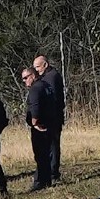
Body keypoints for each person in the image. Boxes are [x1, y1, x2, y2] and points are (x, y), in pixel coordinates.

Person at [32, 54, 65, 185]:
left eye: (38, 67)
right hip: (52, 117)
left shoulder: (51, 77)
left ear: (45, 65)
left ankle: (53, 172)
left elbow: (53, 99)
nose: (37, 70)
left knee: (53, 145)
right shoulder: (47, 76)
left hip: (53, 118)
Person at [24, 66, 53, 191]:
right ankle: (47, 180)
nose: (25, 81)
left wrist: (34, 123)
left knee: (40, 155)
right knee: (46, 154)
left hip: (40, 127)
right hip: (50, 124)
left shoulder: (35, 89)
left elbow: (35, 108)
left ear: (33, 76)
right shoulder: (46, 86)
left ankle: (40, 182)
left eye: (26, 78)